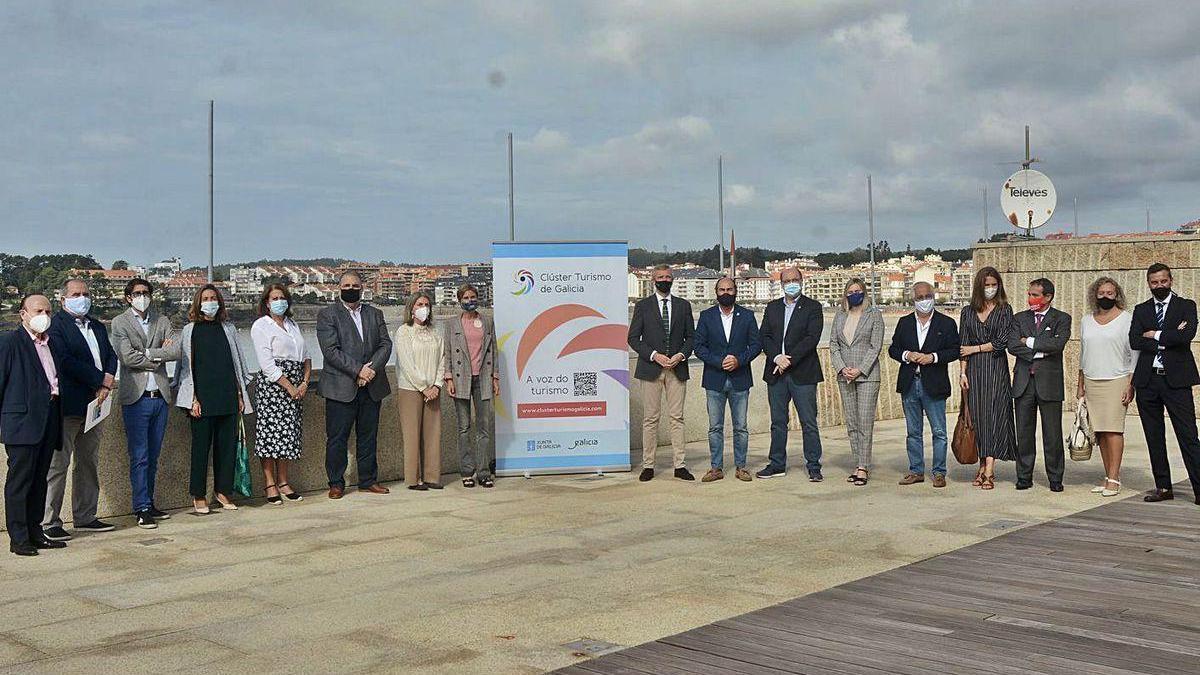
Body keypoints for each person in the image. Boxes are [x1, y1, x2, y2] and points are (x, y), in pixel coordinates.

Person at [41, 279, 118, 541]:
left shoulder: (96, 325)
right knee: (58, 465)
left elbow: (111, 355)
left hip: (97, 405)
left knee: (88, 463)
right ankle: (50, 521)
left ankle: (85, 516)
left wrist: (107, 381)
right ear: (63, 299)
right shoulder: (57, 326)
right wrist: (100, 380)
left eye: (86, 293)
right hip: (69, 406)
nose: (82, 298)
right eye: (76, 294)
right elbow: (65, 361)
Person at [173, 285, 253, 514]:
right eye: (206, 298)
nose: (210, 302)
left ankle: (223, 491)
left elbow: (236, 364)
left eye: (214, 298)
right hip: (202, 400)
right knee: (200, 449)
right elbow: (186, 369)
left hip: (227, 396)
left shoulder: (228, 328)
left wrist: (239, 395)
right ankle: (199, 495)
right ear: (198, 303)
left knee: (226, 448)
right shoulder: (190, 330)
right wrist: (192, 399)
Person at [316, 271, 393, 499]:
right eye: (346, 285)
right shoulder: (327, 315)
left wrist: (370, 371)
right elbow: (330, 351)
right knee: (337, 438)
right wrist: (358, 370)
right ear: (339, 288)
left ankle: (368, 480)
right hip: (340, 388)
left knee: (368, 436)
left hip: (372, 385)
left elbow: (385, 345)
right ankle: (336, 483)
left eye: (355, 285)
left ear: (362, 287)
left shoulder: (375, 313)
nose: (351, 288)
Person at [1129, 263, 1200, 504]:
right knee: (1154, 435)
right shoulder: (1141, 310)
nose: (1159, 286)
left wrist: (1155, 334)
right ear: (1148, 283)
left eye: (1163, 281)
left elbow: (1186, 335)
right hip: (1148, 382)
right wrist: (1168, 337)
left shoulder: (1186, 306)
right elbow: (1135, 340)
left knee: (1188, 435)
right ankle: (1163, 487)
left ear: (1171, 280)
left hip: (1177, 382)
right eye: (1154, 282)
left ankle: (1199, 488)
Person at [0, 295, 66, 556]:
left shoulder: (52, 343)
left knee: (40, 479)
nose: (44, 315)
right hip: (22, 422)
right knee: (20, 481)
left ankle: (36, 531)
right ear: (23, 314)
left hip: (49, 417)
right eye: (38, 310)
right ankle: (19, 538)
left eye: (48, 310)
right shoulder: (10, 343)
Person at [111, 278, 178, 529]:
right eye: (137, 293)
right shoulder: (120, 322)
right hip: (136, 399)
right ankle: (140, 508)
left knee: (154, 455)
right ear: (128, 297)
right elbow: (126, 357)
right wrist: (156, 354)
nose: (142, 296)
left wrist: (148, 353)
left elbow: (175, 351)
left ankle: (149, 502)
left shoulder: (162, 321)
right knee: (139, 456)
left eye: (146, 293)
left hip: (159, 397)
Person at [627, 264, 695, 482]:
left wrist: (681, 356)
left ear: (673, 279)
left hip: (677, 368)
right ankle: (648, 465)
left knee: (677, 418)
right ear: (653, 279)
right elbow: (633, 338)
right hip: (651, 369)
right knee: (650, 419)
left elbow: (691, 338)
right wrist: (655, 355)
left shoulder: (684, 306)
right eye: (660, 277)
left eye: (668, 276)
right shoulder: (643, 306)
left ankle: (680, 464)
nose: (664, 280)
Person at [889, 282, 960, 488]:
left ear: (934, 296)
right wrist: (907, 355)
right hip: (910, 382)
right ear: (914, 300)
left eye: (927, 296)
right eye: (920, 297)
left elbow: (954, 350)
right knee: (913, 431)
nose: (924, 300)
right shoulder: (904, 323)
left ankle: (939, 472)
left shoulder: (946, 323)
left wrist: (933, 357)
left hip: (934, 383)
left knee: (939, 431)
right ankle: (916, 470)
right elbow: (893, 349)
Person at [758, 266, 824, 481]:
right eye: (787, 280)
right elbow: (764, 336)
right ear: (781, 283)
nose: (792, 283)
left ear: (802, 280)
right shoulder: (772, 308)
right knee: (778, 422)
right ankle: (777, 463)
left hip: (803, 373)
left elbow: (811, 338)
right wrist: (777, 357)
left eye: (795, 279)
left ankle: (813, 465)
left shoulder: (813, 307)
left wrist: (789, 359)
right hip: (776, 373)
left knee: (808, 421)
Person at [693, 277, 761, 482]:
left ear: (735, 291)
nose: (725, 292)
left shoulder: (747, 316)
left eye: (729, 289)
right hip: (714, 378)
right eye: (721, 289)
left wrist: (738, 360)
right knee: (715, 427)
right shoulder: (706, 316)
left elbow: (756, 345)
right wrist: (719, 361)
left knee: (741, 426)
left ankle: (741, 466)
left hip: (740, 378)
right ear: (716, 292)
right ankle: (716, 468)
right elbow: (699, 347)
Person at [1009, 278, 1072, 492]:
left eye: (1035, 295)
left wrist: (1029, 342)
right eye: (1029, 294)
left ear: (1048, 297)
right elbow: (1012, 345)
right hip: (1023, 383)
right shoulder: (1019, 318)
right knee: (1024, 433)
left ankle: (1055, 477)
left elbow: (1058, 344)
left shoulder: (1061, 318)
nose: (1030, 299)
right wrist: (1041, 351)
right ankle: (1024, 475)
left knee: (1052, 434)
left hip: (1049, 383)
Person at [250, 284, 311, 505]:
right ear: (267, 302)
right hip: (274, 387)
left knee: (288, 435)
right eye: (274, 298)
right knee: (270, 435)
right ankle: (270, 483)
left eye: (282, 297)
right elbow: (267, 365)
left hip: (296, 384)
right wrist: (289, 387)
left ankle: (284, 481)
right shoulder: (261, 326)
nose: (279, 301)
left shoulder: (293, 325)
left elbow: (306, 355)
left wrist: (304, 382)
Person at [958, 266, 1017, 490]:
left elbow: (1001, 342)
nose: (990, 288)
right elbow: (962, 344)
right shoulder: (967, 312)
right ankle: (981, 464)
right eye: (986, 285)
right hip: (973, 371)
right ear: (979, 287)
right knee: (977, 417)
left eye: (994, 284)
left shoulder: (1004, 310)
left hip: (994, 368)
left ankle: (990, 468)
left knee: (994, 415)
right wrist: (962, 372)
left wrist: (975, 349)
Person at [1077, 277, 1135, 498]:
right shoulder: (1086, 320)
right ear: (1094, 294)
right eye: (1101, 292)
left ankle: (1114, 477)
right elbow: (1083, 354)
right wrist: (1080, 385)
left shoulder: (1126, 320)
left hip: (1117, 379)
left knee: (1113, 430)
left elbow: (1134, 354)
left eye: (1110, 293)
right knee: (1100, 432)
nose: (1105, 296)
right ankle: (1108, 475)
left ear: (1117, 294)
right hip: (1092, 380)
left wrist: (1130, 383)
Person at [443, 284, 498, 489]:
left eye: (472, 296)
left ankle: (483, 472)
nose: (469, 300)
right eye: (465, 297)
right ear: (459, 300)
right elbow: (448, 352)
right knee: (464, 428)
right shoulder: (451, 324)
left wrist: (495, 377)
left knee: (483, 428)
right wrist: (448, 378)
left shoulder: (487, 321)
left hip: (483, 378)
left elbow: (493, 351)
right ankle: (467, 471)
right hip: (460, 380)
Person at [829, 278, 883, 486]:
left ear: (864, 292)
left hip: (867, 376)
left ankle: (864, 466)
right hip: (845, 375)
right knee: (852, 423)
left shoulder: (874, 315)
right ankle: (857, 462)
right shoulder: (840, 315)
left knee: (864, 422)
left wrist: (860, 370)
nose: (854, 294)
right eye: (850, 291)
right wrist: (842, 368)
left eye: (857, 290)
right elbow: (834, 344)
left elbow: (875, 346)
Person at [395, 292, 445, 491]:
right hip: (410, 388)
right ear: (411, 308)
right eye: (419, 304)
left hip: (434, 389)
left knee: (433, 433)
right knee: (412, 434)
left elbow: (443, 359)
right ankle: (414, 479)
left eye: (426, 304)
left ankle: (432, 476)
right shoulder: (404, 331)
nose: (424, 307)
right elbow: (407, 363)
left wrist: (437, 385)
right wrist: (423, 386)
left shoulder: (435, 332)